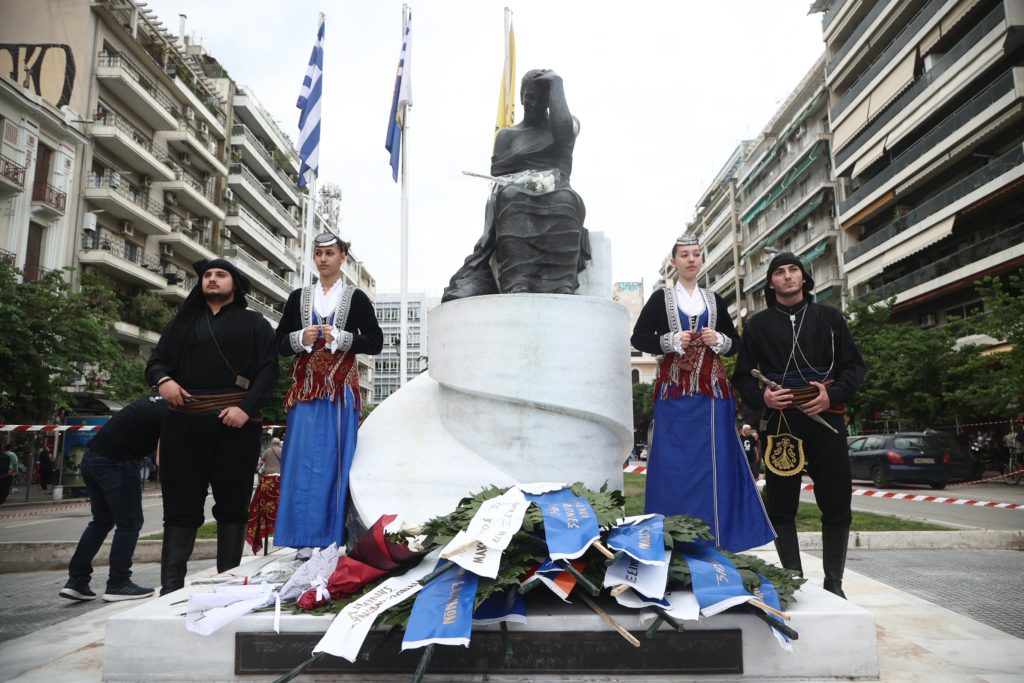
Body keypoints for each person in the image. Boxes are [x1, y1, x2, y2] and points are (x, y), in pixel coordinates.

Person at [732, 252, 866, 598]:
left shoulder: (831, 318)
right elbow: (743, 377)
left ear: (805, 278)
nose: (788, 276)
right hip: (781, 424)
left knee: (837, 503)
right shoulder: (758, 326)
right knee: (781, 504)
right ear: (771, 282)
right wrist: (762, 397)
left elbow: (854, 368)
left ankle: (834, 584)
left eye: (794, 270)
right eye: (780, 272)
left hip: (828, 420)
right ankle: (793, 581)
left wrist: (832, 394)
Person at [630, 235, 775, 553]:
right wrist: (670, 340)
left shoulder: (714, 300)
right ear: (674, 262)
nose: (691, 260)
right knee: (671, 462)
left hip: (712, 395)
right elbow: (639, 337)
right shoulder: (661, 299)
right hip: (674, 393)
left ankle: (718, 538)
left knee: (717, 461)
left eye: (696, 254)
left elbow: (735, 343)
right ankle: (669, 540)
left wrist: (718, 339)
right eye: (684, 255)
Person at [146, 259, 278, 595]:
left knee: (232, 505)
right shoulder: (182, 323)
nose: (213, 279)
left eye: (220, 275)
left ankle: (227, 584)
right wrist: (163, 381)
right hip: (182, 423)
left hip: (234, 425)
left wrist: (247, 409)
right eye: (207, 275)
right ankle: (171, 588)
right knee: (180, 506)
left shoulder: (255, 324)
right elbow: (156, 361)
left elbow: (268, 372)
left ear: (235, 283)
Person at [273, 233, 383, 550]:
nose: (323, 259)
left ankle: (334, 537)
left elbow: (375, 342)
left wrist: (341, 336)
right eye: (318, 253)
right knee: (299, 459)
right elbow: (279, 344)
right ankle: (300, 539)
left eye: (330, 253)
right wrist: (300, 337)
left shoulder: (356, 298)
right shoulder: (298, 298)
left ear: (342, 257)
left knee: (337, 460)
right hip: (306, 391)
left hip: (339, 392)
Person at [443, 69, 589, 301]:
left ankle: (561, 282)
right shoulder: (506, 136)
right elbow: (497, 185)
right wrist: (487, 226)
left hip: (557, 190)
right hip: (516, 195)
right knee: (510, 196)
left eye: (542, 98)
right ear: (521, 97)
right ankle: (517, 280)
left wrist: (557, 83)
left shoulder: (564, 124)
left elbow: (564, 132)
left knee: (566, 200)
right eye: (530, 96)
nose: (534, 103)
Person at [59, 396, 167, 602]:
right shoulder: (172, 411)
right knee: (130, 523)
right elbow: (162, 459)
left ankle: (77, 581)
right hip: (117, 464)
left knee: (101, 521)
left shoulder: (150, 402)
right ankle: (119, 583)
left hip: (92, 458)